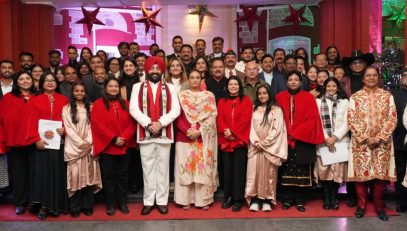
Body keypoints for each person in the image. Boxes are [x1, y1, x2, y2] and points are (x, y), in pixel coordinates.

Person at [129, 56, 180, 215]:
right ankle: (149, 201)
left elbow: (176, 110)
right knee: (148, 169)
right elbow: (133, 109)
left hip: (165, 134)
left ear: (162, 70)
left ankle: (162, 201)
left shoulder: (171, 87)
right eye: (152, 68)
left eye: (158, 68)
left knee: (163, 170)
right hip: (145, 134)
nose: (155, 71)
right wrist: (149, 124)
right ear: (147, 70)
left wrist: (161, 123)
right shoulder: (137, 87)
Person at [347, 66, 397, 221]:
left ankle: (379, 207)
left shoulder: (387, 96)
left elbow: (392, 118)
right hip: (361, 143)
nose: (371, 78)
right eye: (368, 75)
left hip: (382, 143)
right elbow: (351, 119)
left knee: (380, 179)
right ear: (363, 79)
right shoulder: (355, 97)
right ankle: (361, 206)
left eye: (374, 75)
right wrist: (365, 137)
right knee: (361, 178)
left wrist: (380, 137)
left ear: (378, 78)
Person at [21, 71, 69, 220]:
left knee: (57, 174)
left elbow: (71, 120)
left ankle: (57, 205)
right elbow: (29, 122)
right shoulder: (34, 100)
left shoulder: (64, 99)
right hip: (41, 145)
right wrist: (36, 139)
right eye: (46, 80)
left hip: (59, 144)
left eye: (52, 80)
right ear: (41, 83)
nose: (49, 83)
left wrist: (65, 130)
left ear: (57, 82)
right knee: (43, 176)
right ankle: (44, 205)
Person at [275, 71, 325, 212]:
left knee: (301, 170)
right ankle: (287, 199)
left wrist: (295, 133)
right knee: (285, 170)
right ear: (286, 82)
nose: (293, 82)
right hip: (284, 140)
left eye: (296, 79)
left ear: (301, 82)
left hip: (303, 139)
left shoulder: (308, 97)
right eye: (290, 79)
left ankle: (300, 200)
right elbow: (276, 118)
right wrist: (287, 133)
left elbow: (312, 119)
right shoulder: (279, 97)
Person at [90, 77, 137, 216]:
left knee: (123, 176)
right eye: (110, 86)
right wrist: (113, 138)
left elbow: (132, 123)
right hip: (108, 146)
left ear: (119, 89)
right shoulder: (98, 104)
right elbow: (97, 124)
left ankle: (122, 203)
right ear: (105, 88)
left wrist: (124, 138)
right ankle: (110, 204)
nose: (113, 89)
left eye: (116, 86)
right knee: (109, 177)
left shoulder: (127, 104)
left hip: (124, 145)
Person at [174, 70, 218, 210]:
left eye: (197, 77)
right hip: (184, 137)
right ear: (188, 80)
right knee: (185, 169)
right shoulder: (181, 96)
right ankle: (184, 200)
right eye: (192, 77)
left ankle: (203, 200)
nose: (194, 80)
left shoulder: (209, 96)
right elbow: (177, 116)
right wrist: (187, 130)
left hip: (202, 137)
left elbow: (212, 116)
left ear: (201, 80)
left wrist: (200, 131)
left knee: (202, 168)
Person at [245, 84, 287, 212]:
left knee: (269, 174)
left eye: (265, 93)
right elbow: (249, 127)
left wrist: (264, 143)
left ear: (269, 94)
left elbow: (277, 129)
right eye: (260, 93)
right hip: (255, 146)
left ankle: (267, 200)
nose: (262, 95)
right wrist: (256, 142)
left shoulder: (276, 110)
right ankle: (255, 199)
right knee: (254, 173)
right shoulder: (253, 109)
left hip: (269, 147)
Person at [62, 82, 102, 218]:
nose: (79, 93)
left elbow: (94, 126)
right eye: (76, 91)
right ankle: (75, 207)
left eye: (82, 91)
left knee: (89, 177)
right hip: (74, 147)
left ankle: (87, 206)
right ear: (72, 93)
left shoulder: (91, 107)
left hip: (89, 146)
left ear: (85, 92)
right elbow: (68, 128)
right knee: (75, 177)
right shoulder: (66, 109)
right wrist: (81, 143)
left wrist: (88, 141)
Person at [0, 71, 36, 215]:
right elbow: (3, 120)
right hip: (16, 143)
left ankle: (34, 201)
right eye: (21, 79)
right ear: (17, 81)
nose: (25, 81)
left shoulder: (38, 97)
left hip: (35, 142)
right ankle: (20, 203)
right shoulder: (8, 98)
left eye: (28, 78)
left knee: (34, 173)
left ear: (33, 81)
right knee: (19, 174)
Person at [217, 76, 253, 212]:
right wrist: (225, 131)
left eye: (235, 84)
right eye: (230, 84)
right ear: (227, 87)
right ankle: (228, 197)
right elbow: (219, 118)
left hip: (239, 142)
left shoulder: (246, 101)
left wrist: (233, 132)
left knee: (239, 171)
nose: (233, 86)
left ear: (239, 86)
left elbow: (246, 120)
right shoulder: (221, 101)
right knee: (226, 170)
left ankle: (238, 199)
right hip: (225, 140)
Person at [315, 77, 350, 210]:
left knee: (336, 173)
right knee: (324, 172)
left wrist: (335, 137)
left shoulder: (345, 102)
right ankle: (326, 197)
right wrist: (326, 138)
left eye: (333, 86)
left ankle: (334, 198)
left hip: (340, 142)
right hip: (323, 142)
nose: (331, 88)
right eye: (328, 86)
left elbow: (348, 122)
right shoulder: (318, 102)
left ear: (338, 87)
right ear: (324, 87)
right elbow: (316, 121)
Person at [393, 68, 407, 213]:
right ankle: (402, 201)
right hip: (400, 141)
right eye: (405, 76)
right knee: (401, 172)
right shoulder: (395, 95)